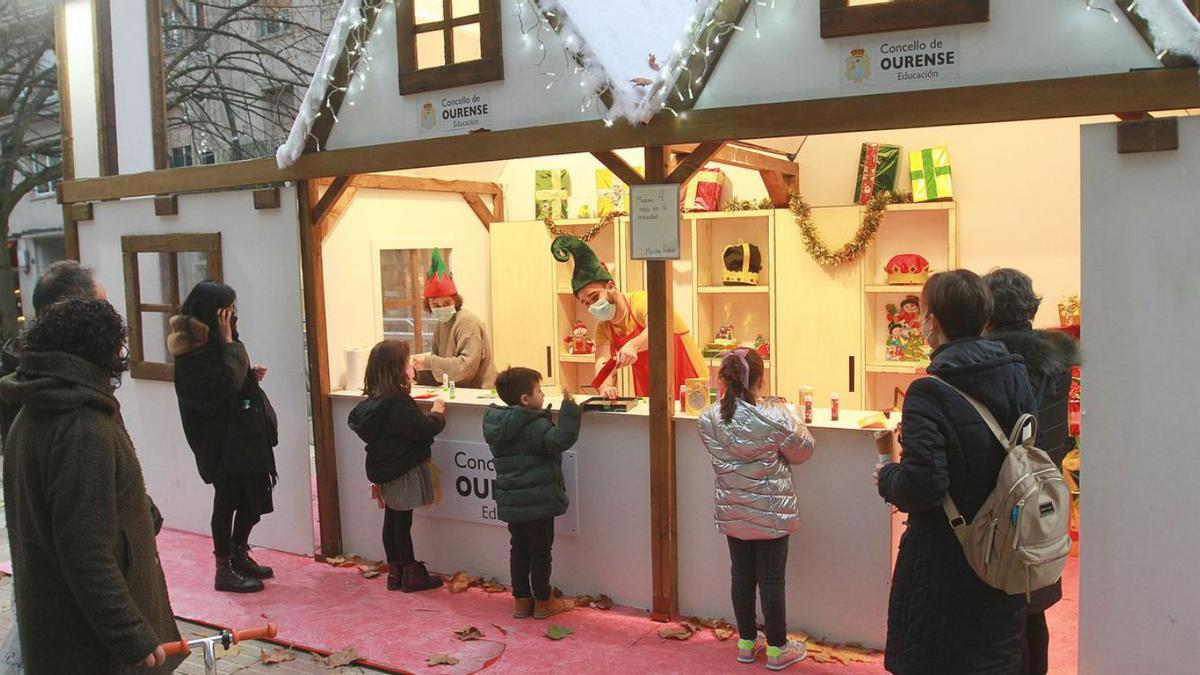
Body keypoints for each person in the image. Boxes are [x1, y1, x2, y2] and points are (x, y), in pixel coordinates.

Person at [1, 298, 184, 673]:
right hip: (91, 647)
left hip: (59, 630)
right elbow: (85, 550)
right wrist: (132, 633)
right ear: (104, 352)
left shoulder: (36, 411)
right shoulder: (83, 428)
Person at [874, 270, 1036, 674]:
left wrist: (886, 476)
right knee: (994, 655)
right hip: (1005, 546)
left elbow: (922, 486)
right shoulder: (1016, 373)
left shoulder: (930, 391)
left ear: (934, 321)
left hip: (946, 560)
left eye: (924, 313)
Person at [0, 261, 165, 534]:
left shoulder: (59, 377)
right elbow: (83, 524)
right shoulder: (56, 395)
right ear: (74, 314)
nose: (112, 320)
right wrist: (140, 516)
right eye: (103, 307)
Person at [983, 268, 1080, 675]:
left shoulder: (990, 362)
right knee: (1033, 608)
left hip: (1000, 501)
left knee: (996, 614)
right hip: (1046, 493)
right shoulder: (1056, 361)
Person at [698, 348, 815, 671]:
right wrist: (788, 413)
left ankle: (747, 642)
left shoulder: (708, 418)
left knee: (741, 576)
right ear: (760, 379)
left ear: (724, 378)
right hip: (771, 511)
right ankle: (777, 649)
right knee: (772, 580)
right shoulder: (773, 416)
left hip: (733, 509)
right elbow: (804, 451)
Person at [170, 281, 279, 594]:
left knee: (254, 499)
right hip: (221, 442)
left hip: (245, 435)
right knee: (228, 500)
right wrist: (233, 351)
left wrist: (247, 373)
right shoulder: (190, 350)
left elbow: (232, 376)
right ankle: (224, 569)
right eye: (226, 312)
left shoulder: (219, 342)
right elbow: (221, 383)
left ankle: (239, 552)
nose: (231, 318)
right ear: (211, 313)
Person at [550, 235, 705, 399]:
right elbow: (602, 361)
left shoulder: (643, 301)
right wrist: (605, 387)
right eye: (586, 303)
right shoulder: (603, 329)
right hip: (651, 385)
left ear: (611, 286)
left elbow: (659, 329)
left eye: (595, 297)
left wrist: (633, 345)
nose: (592, 306)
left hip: (688, 376)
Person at [483, 366, 582, 620]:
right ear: (525, 400)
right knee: (540, 552)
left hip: (513, 502)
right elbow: (561, 439)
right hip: (538, 503)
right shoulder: (534, 425)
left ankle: (521, 600)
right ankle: (542, 600)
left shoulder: (498, 425)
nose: (543, 395)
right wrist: (570, 406)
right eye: (539, 390)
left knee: (518, 549)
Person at [348, 339, 446, 593]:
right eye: (407, 363)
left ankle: (396, 572)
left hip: (384, 470)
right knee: (402, 523)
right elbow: (424, 430)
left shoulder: (373, 403)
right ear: (397, 369)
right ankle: (411, 572)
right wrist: (437, 413)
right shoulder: (399, 403)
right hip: (402, 469)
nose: (412, 367)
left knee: (392, 520)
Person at [412, 248, 497, 389]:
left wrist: (428, 362)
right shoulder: (441, 323)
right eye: (435, 305)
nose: (441, 308)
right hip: (456, 389)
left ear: (456, 301)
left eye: (446, 303)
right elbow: (441, 370)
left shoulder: (466, 322)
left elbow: (466, 366)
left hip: (478, 391)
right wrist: (416, 374)